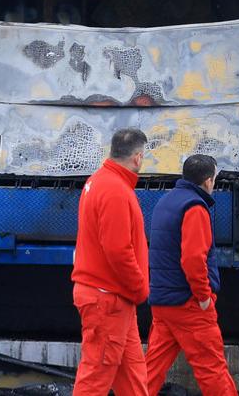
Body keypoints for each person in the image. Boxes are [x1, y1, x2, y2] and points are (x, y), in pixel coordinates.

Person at [144, 154, 238, 395]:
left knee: (150, 371)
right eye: (215, 179)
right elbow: (193, 259)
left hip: (163, 302)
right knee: (212, 370)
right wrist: (204, 296)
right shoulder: (195, 207)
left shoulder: (165, 202)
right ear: (208, 181)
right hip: (189, 304)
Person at [71, 128, 151, 396]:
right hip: (109, 300)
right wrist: (140, 288)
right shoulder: (116, 190)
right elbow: (118, 250)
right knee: (96, 377)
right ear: (138, 157)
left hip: (111, 299)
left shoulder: (98, 182)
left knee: (132, 376)